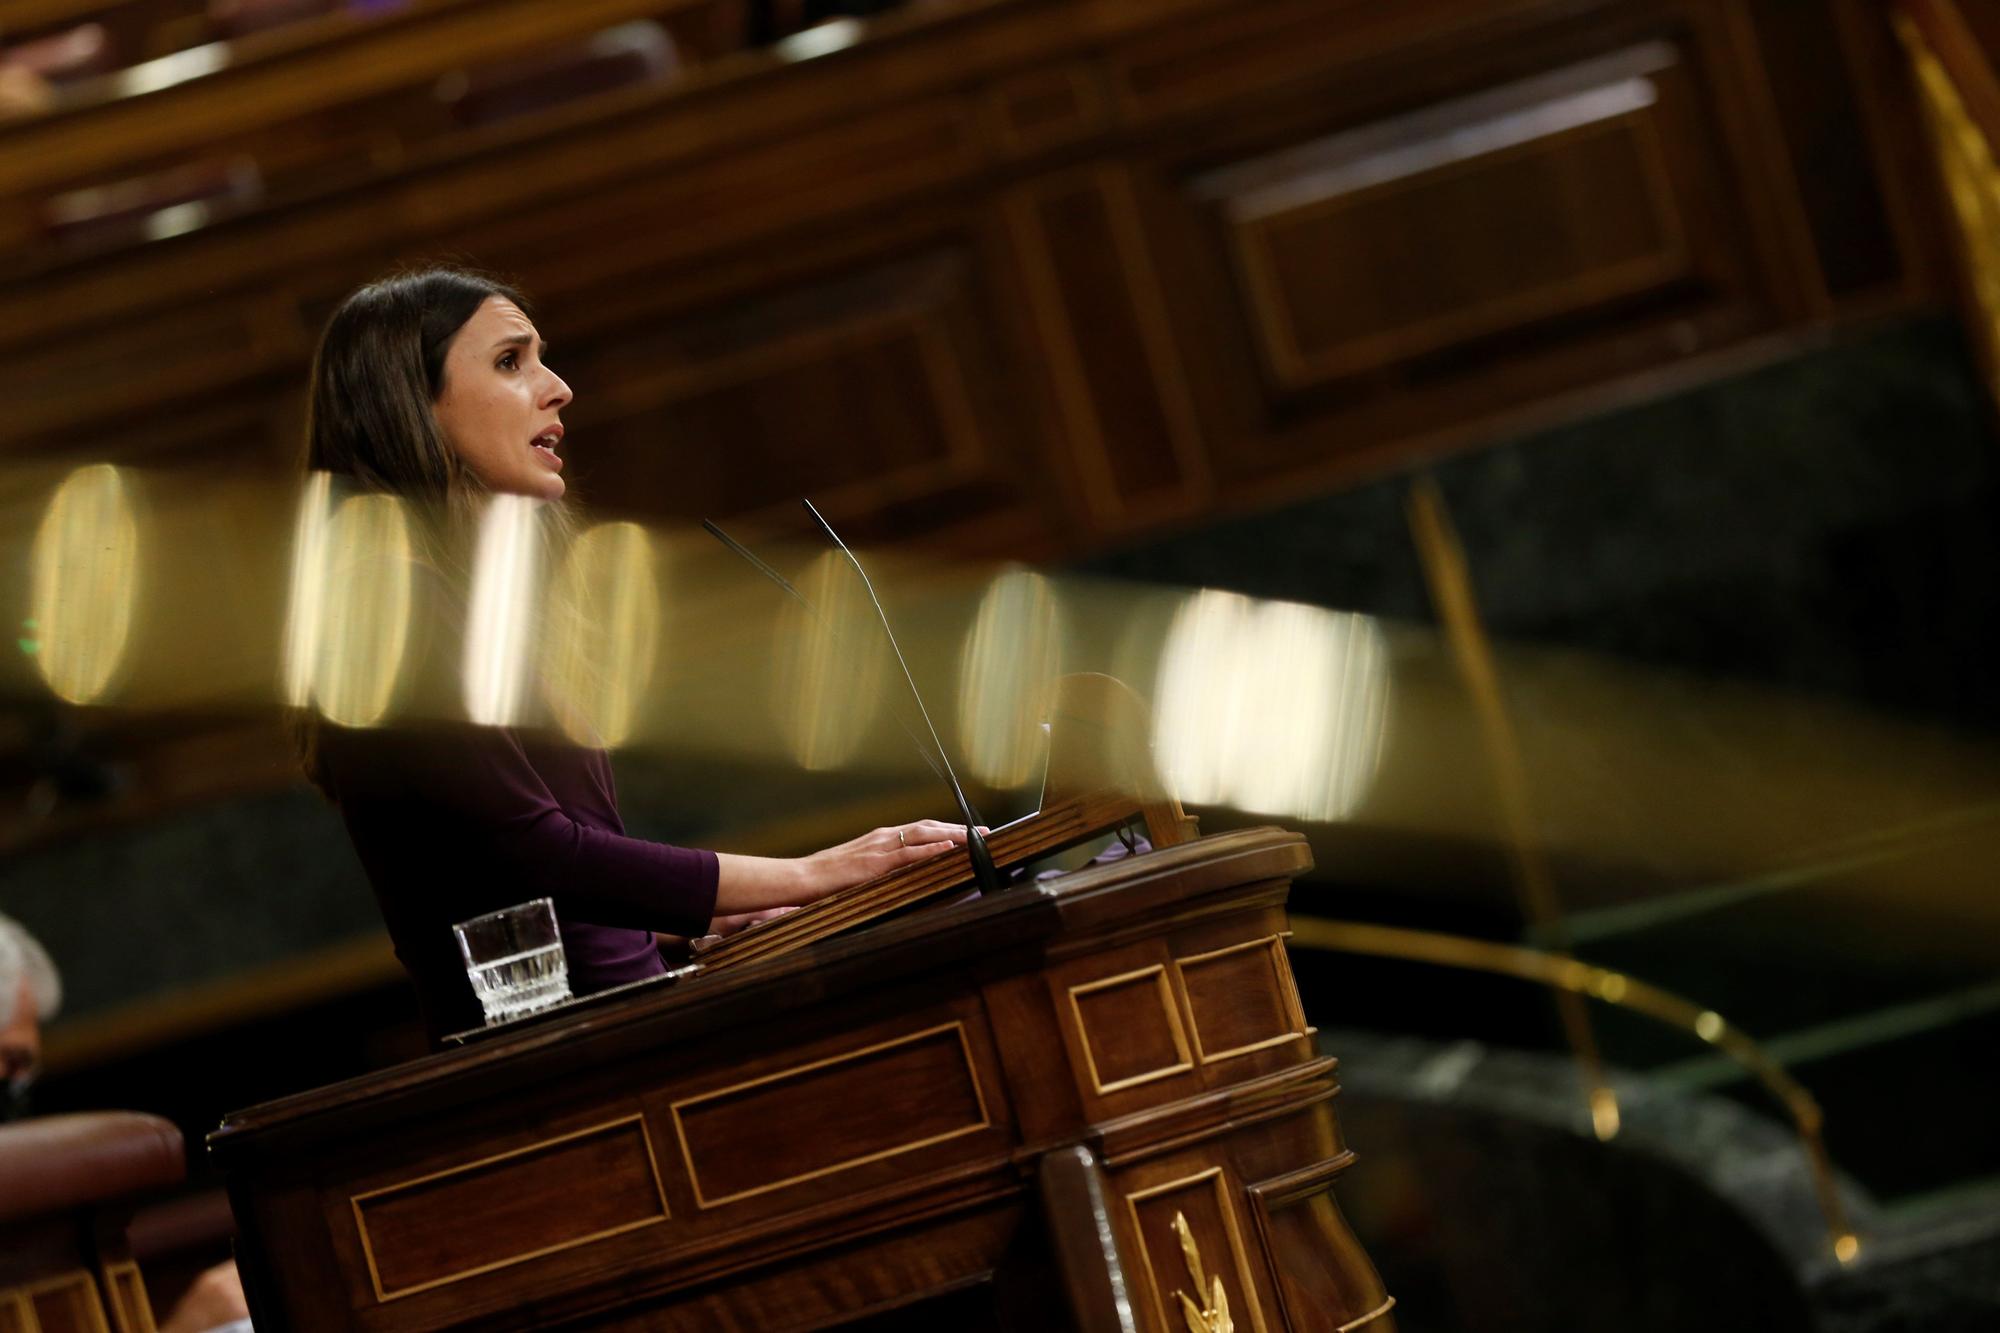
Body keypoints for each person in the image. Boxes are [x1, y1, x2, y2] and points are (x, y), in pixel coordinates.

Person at [297, 268, 969, 1041]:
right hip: (556, 1077)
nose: (558, 388)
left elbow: (537, 895)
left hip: (627, 1033)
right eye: (512, 362)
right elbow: (535, 856)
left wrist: (679, 934)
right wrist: (816, 872)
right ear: (409, 404)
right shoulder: (391, 601)